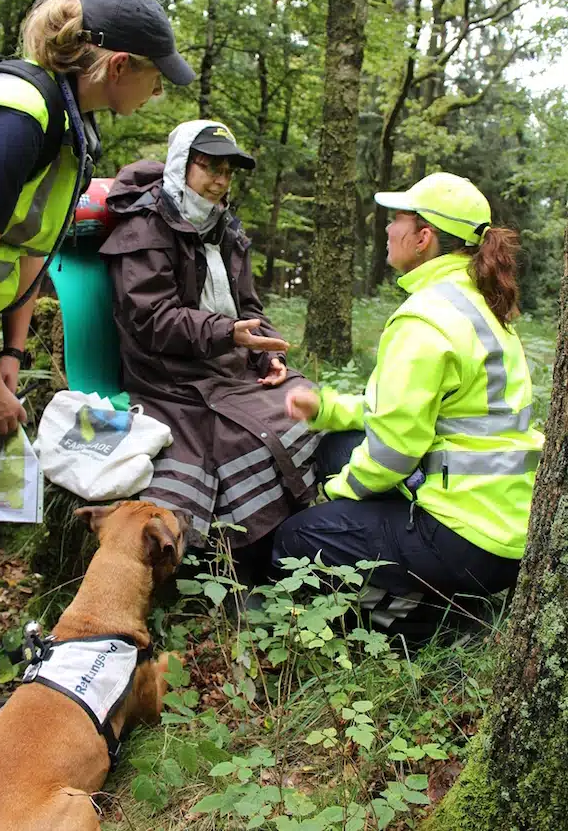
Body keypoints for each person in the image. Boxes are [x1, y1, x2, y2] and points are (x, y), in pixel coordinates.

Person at [0, 0, 195, 742]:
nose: (158, 91)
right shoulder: (19, 114)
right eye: (157, 76)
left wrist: (15, 350)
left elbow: (27, 251)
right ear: (119, 65)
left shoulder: (69, 124)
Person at [274, 172, 544, 644]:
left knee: (294, 541)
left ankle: (435, 624)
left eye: (397, 219)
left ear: (424, 238)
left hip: (466, 535)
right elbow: (398, 410)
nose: (386, 228)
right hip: (507, 522)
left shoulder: (425, 319)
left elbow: (393, 454)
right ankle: (440, 592)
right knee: (337, 445)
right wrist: (327, 409)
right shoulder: (480, 304)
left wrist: (337, 494)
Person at [99, 119, 321, 568]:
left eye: (228, 170)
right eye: (210, 167)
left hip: (228, 363)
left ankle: (302, 538)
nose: (220, 180)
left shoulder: (226, 229)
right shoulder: (145, 227)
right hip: (170, 378)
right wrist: (226, 332)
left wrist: (269, 354)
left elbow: (250, 306)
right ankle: (247, 559)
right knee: (249, 439)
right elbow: (150, 319)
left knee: (309, 402)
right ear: (183, 165)